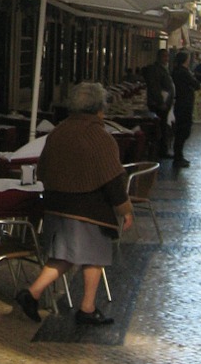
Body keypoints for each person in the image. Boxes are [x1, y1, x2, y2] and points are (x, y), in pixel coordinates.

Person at [15, 81, 133, 326]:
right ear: (99, 109)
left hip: (56, 205)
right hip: (89, 210)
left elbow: (43, 169)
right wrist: (125, 210)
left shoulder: (58, 132)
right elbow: (113, 180)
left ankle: (32, 294)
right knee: (95, 256)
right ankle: (87, 308)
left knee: (64, 256)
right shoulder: (100, 138)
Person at [170, 50, 201, 168]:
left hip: (180, 103)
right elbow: (196, 85)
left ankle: (179, 156)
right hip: (185, 104)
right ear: (185, 60)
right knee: (183, 130)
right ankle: (178, 157)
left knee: (180, 131)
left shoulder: (176, 71)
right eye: (188, 59)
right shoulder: (184, 72)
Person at [142, 48, 175, 159]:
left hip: (164, 104)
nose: (166, 59)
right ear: (159, 57)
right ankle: (160, 151)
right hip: (159, 104)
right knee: (160, 127)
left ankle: (162, 149)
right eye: (164, 56)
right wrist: (160, 101)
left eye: (167, 56)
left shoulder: (163, 69)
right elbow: (154, 87)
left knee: (163, 127)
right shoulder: (155, 70)